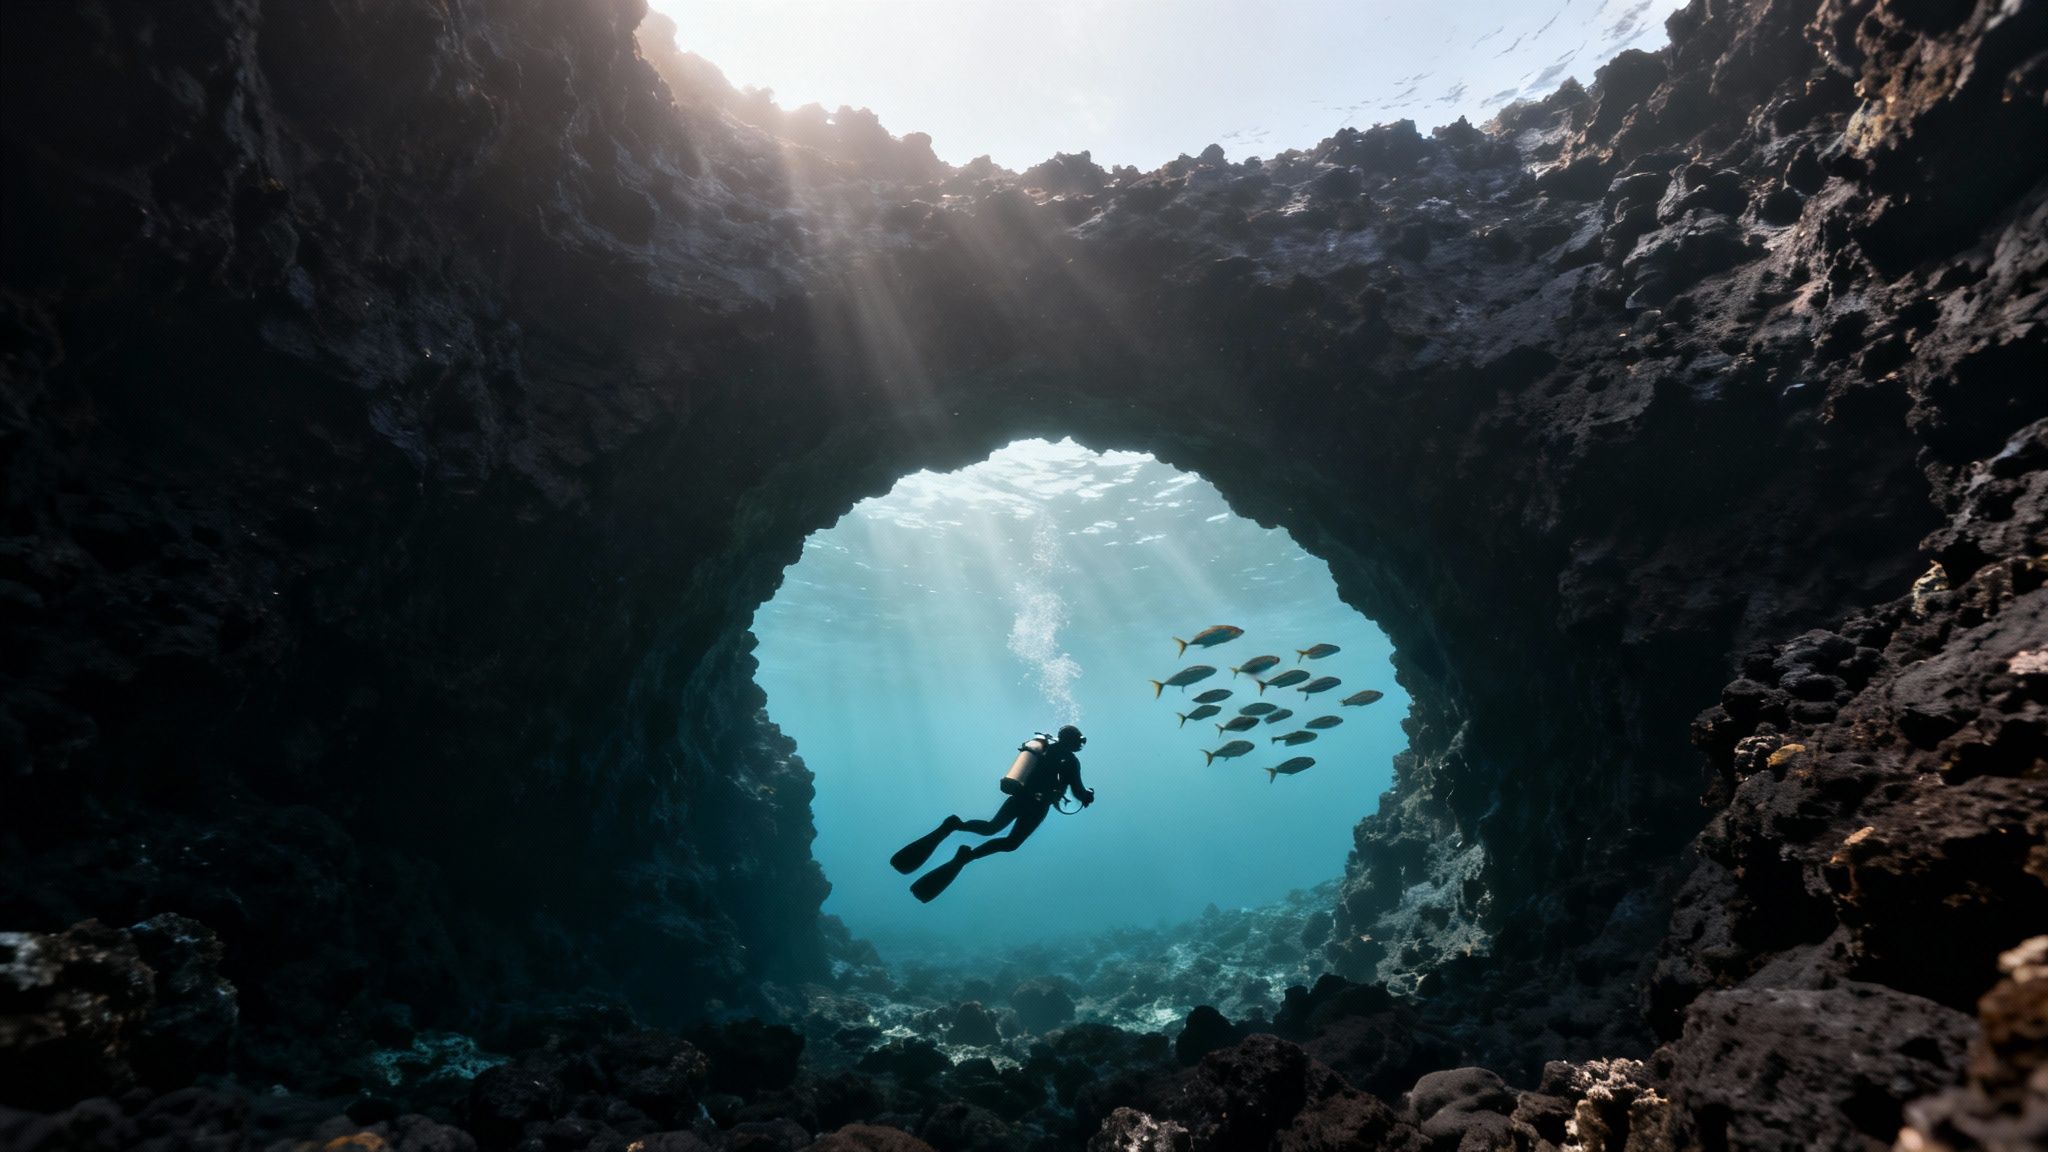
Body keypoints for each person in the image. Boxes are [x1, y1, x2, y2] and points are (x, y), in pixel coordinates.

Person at [891, 724, 1095, 902]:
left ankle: (954, 826)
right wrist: (1088, 796)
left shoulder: (1043, 749)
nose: (1080, 745)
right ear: (1072, 740)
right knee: (1011, 843)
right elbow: (1078, 790)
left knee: (991, 828)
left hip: (1018, 798)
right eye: (1080, 740)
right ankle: (967, 856)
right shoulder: (1070, 761)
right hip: (1037, 807)